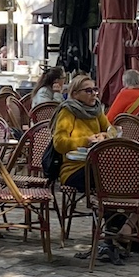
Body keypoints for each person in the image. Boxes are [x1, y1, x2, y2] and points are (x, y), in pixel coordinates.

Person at [50, 73, 118, 261]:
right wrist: (85, 141)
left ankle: (118, 236)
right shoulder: (68, 111)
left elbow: (111, 130)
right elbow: (59, 143)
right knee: (108, 182)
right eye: (88, 91)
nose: (94, 94)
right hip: (73, 169)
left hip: (97, 166)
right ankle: (111, 238)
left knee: (119, 181)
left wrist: (104, 136)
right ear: (75, 93)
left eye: (95, 89)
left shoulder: (97, 111)